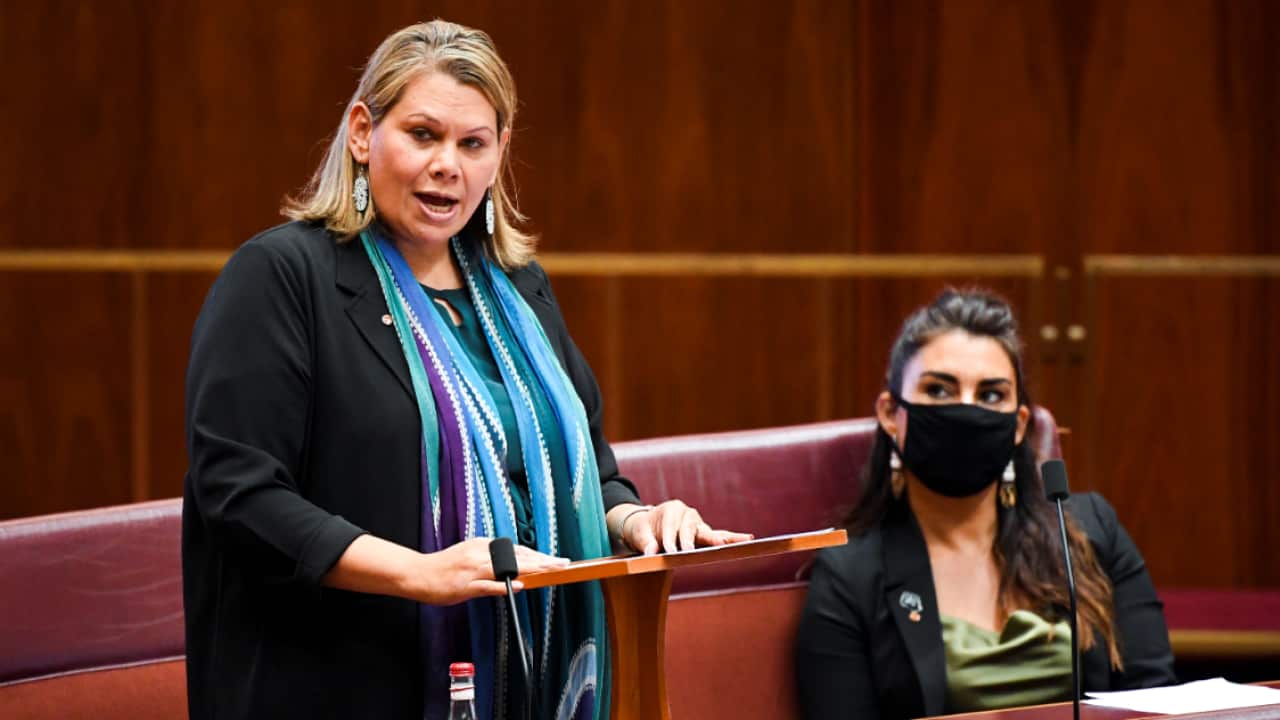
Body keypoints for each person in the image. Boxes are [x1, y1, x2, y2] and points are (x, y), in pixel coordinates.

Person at [182, 20, 749, 720]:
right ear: (363, 133)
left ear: (500, 154)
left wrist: (637, 519)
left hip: (520, 681)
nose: (448, 164)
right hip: (339, 683)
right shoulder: (282, 278)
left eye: (472, 143)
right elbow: (239, 495)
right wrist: (421, 573)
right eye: (423, 134)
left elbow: (580, 468)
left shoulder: (519, 289)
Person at [794, 289, 1174, 719]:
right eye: (939, 390)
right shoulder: (852, 574)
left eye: (991, 395)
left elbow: (1154, 698)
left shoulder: (1089, 532)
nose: (966, 409)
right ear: (889, 413)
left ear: (1019, 425)